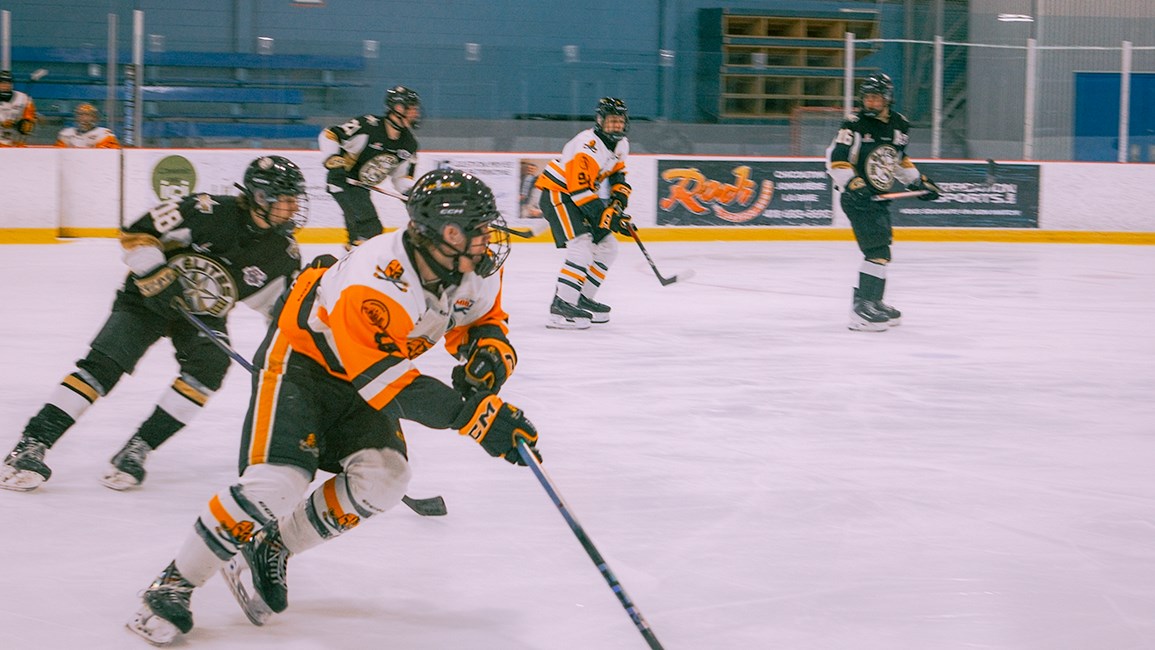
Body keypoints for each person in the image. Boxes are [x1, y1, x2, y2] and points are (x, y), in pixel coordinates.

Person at [126, 168, 540, 646]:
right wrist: (476, 418)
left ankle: (271, 545)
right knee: (277, 483)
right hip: (304, 364)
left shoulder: (472, 265)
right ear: (446, 234)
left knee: (384, 478)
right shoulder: (377, 278)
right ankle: (173, 583)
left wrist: (486, 352)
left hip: (371, 370)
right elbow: (385, 382)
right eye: (479, 229)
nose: (488, 240)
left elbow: (482, 318)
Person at [0, 156, 308, 492]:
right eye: (287, 199)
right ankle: (32, 444)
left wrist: (293, 361)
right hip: (148, 298)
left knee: (210, 367)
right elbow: (137, 232)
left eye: (296, 199)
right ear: (260, 197)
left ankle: (138, 448)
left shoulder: (284, 253)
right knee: (103, 366)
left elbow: (283, 316)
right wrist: (154, 274)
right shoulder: (206, 210)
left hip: (203, 314)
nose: (293, 208)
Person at [825, 72, 941, 332]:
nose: (871, 102)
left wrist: (918, 182)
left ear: (887, 98)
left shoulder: (899, 125)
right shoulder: (853, 124)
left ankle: (873, 301)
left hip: (879, 199)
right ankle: (862, 308)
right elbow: (836, 158)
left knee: (881, 251)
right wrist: (853, 182)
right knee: (877, 251)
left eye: (876, 98)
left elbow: (897, 160)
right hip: (858, 199)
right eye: (867, 97)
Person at [535, 97, 633, 329]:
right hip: (559, 194)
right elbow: (579, 192)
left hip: (581, 197)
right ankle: (561, 305)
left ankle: (581, 298)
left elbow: (617, 174)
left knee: (608, 247)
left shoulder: (621, 144)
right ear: (600, 121)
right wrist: (611, 218)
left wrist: (618, 203)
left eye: (619, 121)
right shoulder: (586, 146)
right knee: (581, 247)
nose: (616, 126)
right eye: (611, 121)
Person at [320, 85, 421, 247]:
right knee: (369, 229)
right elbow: (330, 134)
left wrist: (410, 194)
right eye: (412, 109)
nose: (415, 114)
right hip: (341, 181)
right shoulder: (368, 126)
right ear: (398, 108)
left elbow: (401, 178)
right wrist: (333, 158)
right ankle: (355, 264)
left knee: (361, 233)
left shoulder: (409, 144)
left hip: (361, 188)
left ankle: (348, 264)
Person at [55, 102, 120, 148]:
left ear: (96, 118)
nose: (84, 119)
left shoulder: (105, 135)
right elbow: (58, 156)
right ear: (75, 118)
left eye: (88, 115)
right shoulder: (66, 134)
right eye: (80, 115)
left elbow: (108, 158)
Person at [0, 69, 38, 147]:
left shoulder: (23, 98)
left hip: (17, 141)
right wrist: (2, 124)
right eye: (2, 83)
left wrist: (26, 123)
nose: (5, 85)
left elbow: (30, 119)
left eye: (7, 82)